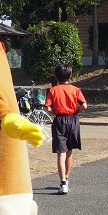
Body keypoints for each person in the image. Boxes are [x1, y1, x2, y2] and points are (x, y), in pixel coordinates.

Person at [44, 63, 87, 195]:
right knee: (69, 151)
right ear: (70, 75)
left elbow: (47, 107)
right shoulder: (75, 89)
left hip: (60, 120)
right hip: (73, 120)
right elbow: (84, 105)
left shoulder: (53, 90)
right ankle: (66, 180)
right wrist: (75, 112)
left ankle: (62, 183)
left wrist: (55, 112)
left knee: (60, 153)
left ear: (56, 76)